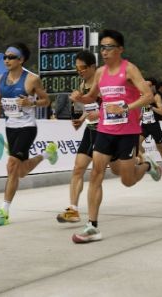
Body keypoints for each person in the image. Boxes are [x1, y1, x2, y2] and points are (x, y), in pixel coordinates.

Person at [70, 30, 161, 243]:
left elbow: (148, 96)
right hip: (104, 130)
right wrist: (80, 98)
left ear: (120, 49)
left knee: (127, 180)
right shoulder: (100, 73)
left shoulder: (129, 69)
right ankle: (92, 226)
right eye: (102, 47)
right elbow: (92, 97)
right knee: (96, 173)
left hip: (127, 133)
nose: (104, 51)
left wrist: (126, 108)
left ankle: (147, 165)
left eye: (109, 47)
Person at [0, 43, 57, 226]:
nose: (6, 60)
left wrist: (31, 103)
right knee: (21, 171)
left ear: (21, 60)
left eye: (11, 57)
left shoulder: (31, 79)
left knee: (11, 166)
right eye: (5, 57)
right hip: (10, 127)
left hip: (27, 127)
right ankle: (47, 154)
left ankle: (3, 211)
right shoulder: (0, 79)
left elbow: (46, 100)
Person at [56, 51, 101, 223]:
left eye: (82, 67)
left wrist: (97, 114)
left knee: (123, 171)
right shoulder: (83, 85)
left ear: (92, 66)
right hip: (91, 131)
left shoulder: (102, 82)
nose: (79, 71)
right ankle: (73, 209)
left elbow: (108, 106)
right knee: (78, 169)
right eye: (77, 68)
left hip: (107, 132)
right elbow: (89, 107)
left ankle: (144, 163)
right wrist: (81, 120)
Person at [140, 77, 162, 178]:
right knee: (136, 143)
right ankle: (150, 161)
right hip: (144, 125)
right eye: (145, 85)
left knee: (159, 147)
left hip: (154, 125)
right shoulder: (143, 96)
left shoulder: (157, 96)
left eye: (148, 86)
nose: (146, 87)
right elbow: (143, 110)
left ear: (153, 86)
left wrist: (151, 107)